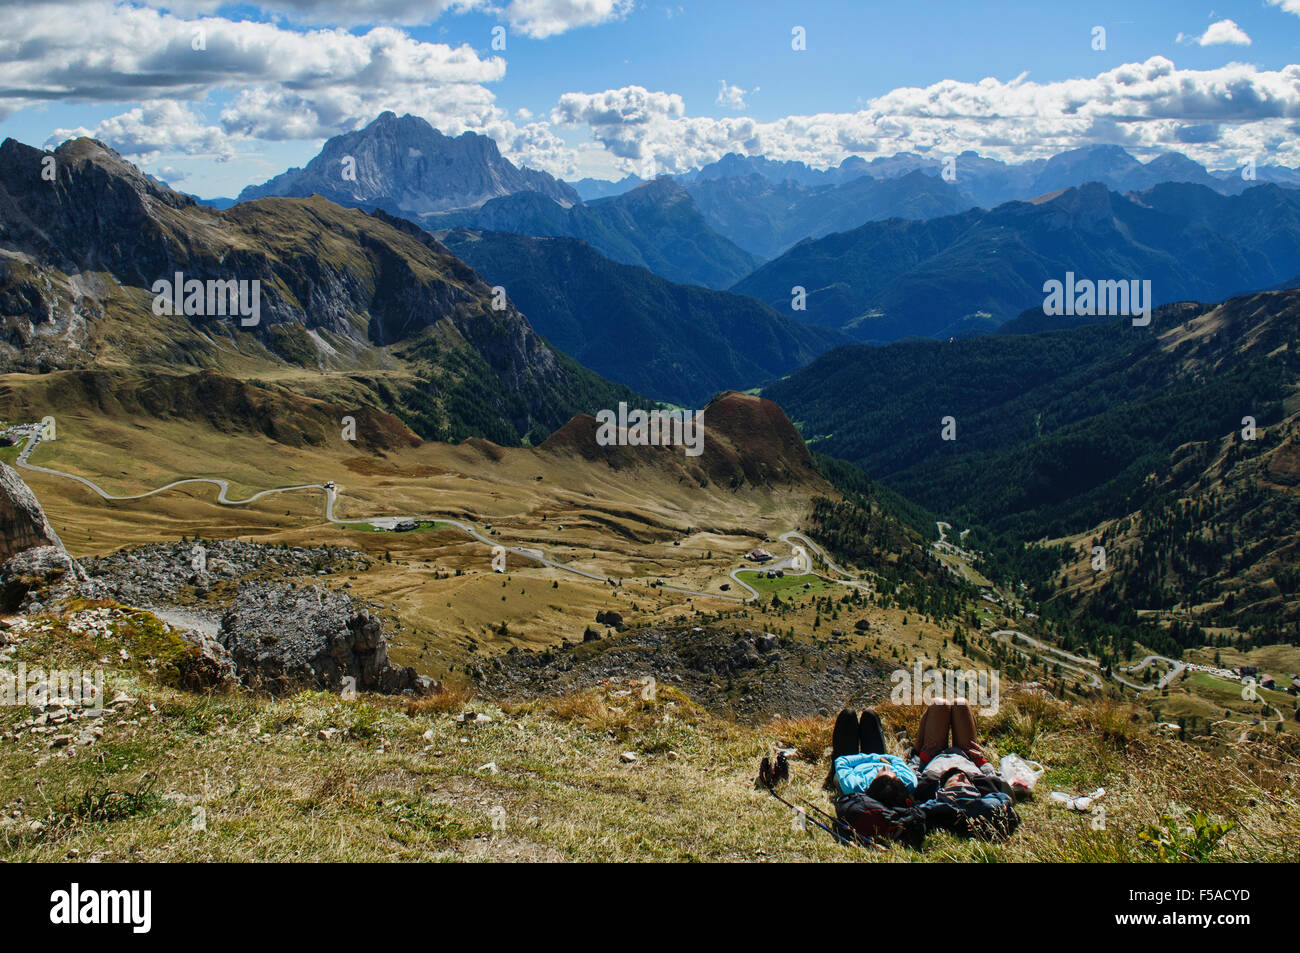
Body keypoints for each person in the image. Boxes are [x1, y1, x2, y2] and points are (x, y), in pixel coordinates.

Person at [826, 707, 917, 808]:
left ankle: (831, 777)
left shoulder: (856, 787)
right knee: (869, 715)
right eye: (895, 777)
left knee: (848, 715)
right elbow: (896, 760)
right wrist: (876, 758)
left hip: (853, 765)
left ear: (874, 785)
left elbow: (842, 761)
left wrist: (873, 758)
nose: (886, 767)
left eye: (882, 774)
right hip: (878, 758)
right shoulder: (908, 782)